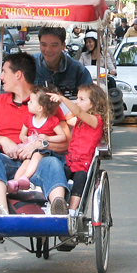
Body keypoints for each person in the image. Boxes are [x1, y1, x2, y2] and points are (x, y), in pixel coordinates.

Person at [0, 53, 70, 216]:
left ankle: (59, 214)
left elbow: (66, 142)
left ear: (18, 74)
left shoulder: (45, 102)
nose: (1, 77)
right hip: (7, 161)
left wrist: (40, 145)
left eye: (4, 72)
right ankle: (1, 212)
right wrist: (2, 140)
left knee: (53, 162)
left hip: (39, 162)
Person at [49, 84, 109, 212]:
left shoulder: (95, 120)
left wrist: (63, 99)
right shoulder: (80, 120)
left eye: (82, 99)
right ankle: (57, 204)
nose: (77, 102)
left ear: (93, 104)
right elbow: (69, 117)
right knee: (58, 175)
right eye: (77, 98)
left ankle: (72, 209)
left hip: (83, 164)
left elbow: (78, 112)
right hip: (71, 161)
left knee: (80, 179)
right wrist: (77, 106)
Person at [6, 85, 69, 194]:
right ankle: (15, 182)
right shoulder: (29, 119)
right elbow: (22, 135)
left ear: (40, 108)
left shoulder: (52, 121)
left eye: (31, 102)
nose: (28, 103)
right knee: (25, 162)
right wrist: (24, 138)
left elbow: (62, 136)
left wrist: (48, 138)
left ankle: (25, 177)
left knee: (36, 155)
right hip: (31, 146)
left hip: (44, 150)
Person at [34, 26, 93, 94]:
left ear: (63, 45)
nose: (48, 50)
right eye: (44, 45)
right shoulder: (29, 66)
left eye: (54, 45)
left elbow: (90, 99)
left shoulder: (78, 70)